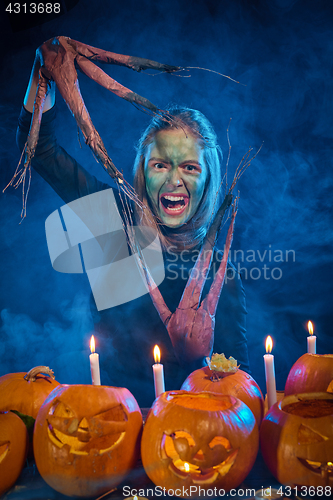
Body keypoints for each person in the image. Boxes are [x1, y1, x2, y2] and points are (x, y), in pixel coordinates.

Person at [16, 44, 249, 407]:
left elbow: (242, 399)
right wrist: (41, 71)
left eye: (189, 166)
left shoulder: (220, 276)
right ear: (143, 171)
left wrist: (198, 362)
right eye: (161, 165)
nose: (174, 180)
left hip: (187, 442)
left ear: (208, 179)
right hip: (112, 428)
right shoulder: (114, 217)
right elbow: (40, 150)